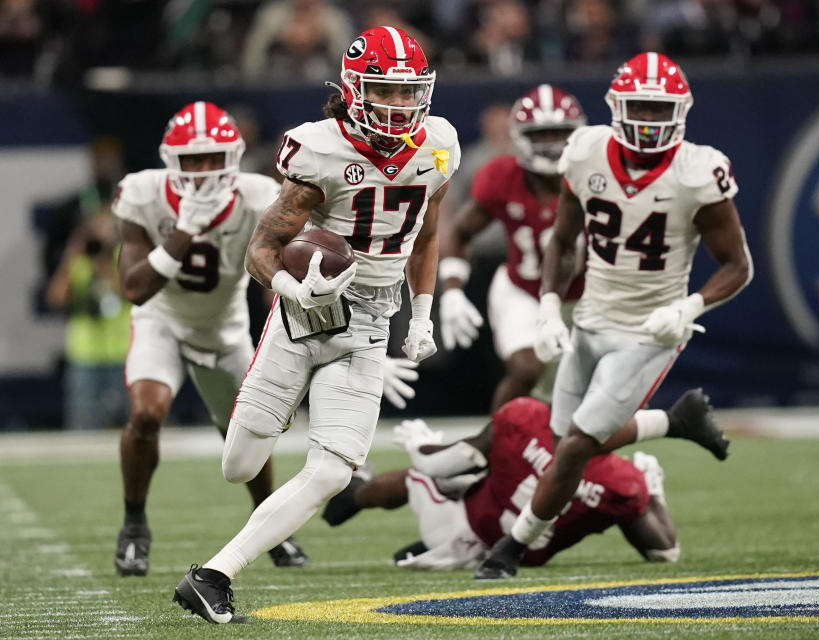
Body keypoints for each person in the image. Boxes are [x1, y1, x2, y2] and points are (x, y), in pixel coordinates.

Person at [173, 26, 461, 623]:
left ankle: (212, 576)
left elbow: (427, 232)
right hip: (302, 315)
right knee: (240, 467)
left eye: (411, 94)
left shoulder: (438, 145)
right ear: (356, 90)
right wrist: (290, 285)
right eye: (387, 91)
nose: (402, 106)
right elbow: (262, 247)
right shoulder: (320, 150)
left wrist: (424, 312)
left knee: (331, 469)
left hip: (372, 320)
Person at [475, 52, 753, 580]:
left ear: (681, 112)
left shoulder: (699, 171)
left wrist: (690, 306)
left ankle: (511, 549)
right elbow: (562, 239)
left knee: (577, 445)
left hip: (651, 331)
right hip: (591, 318)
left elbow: (738, 265)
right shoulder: (584, 152)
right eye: (639, 108)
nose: (648, 121)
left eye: (659, 110)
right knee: (562, 446)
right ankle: (673, 426)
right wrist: (551, 307)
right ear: (616, 108)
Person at [112, 101, 316, 575]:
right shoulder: (142, 193)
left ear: (234, 157)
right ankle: (134, 527)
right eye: (193, 160)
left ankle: (271, 530)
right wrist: (184, 230)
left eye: (213, 159)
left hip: (224, 328)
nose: (204, 171)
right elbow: (135, 289)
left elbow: (282, 267)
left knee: (247, 435)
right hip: (162, 320)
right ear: (171, 161)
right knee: (145, 413)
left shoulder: (258, 194)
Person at [322, 396, 683, 570]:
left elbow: (436, 463)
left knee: (417, 477)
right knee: (480, 476)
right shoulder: (623, 481)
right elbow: (664, 551)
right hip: (519, 555)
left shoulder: (527, 418)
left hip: (462, 528)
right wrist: (652, 492)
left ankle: (353, 497)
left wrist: (420, 443)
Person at [439, 84, 586, 411]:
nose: (550, 144)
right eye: (541, 134)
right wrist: (451, 288)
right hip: (524, 288)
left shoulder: (594, 176)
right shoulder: (502, 176)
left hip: (584, 295)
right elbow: (461, 232)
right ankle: (500, 450)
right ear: (520, 137)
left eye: (558, 133)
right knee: (527, 369)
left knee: (593, 386)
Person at [45, 209, 131, 430]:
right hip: (85, 355)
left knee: (131, 426)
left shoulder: (124, 255)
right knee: (84, 426)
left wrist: (104, 263)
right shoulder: (78, 261)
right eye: (96, 229)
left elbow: (129, 291)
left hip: (122, 353)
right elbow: (55, 298)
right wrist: (70, 256)